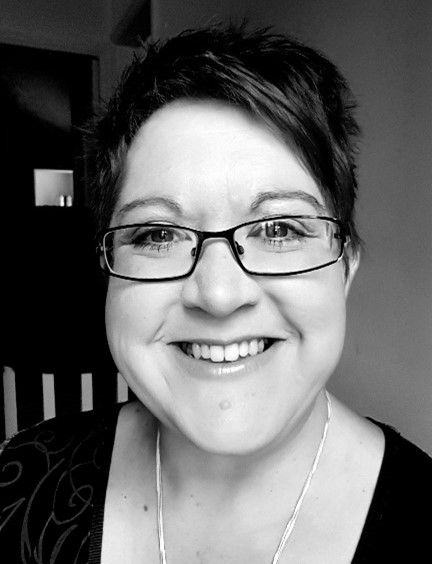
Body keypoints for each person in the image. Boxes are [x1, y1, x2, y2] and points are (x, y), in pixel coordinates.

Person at [1, 24, 431, 564]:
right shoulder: (16, 489)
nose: (220, 294)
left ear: (345, 269)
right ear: (109, 274)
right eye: (158, 234)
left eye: (278, 229)